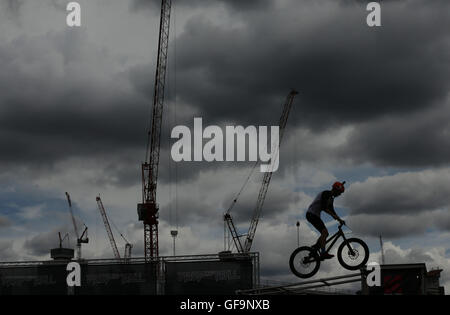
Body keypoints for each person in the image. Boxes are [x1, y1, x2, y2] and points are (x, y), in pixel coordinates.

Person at [306, 181, 346, 260]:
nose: (339, 195)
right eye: (339, 193)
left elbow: (332, 211)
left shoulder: (331, 198)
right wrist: (335, 217)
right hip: (311, 214)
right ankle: (323, 253)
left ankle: (315, 248)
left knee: (325, 233)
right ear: (335, 190)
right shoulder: (326, 194)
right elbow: (325, 208)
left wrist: (339, 219)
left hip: (314, 215)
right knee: (324, 232)